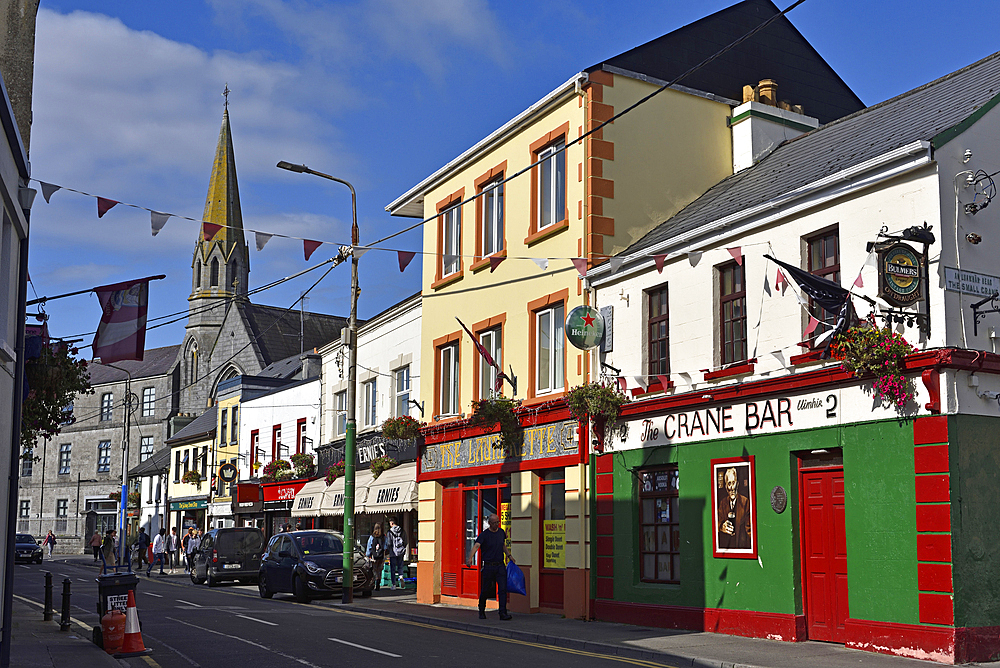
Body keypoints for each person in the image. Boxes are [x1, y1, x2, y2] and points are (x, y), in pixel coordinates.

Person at [466, 513, 513, 621]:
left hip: (500, 565)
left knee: (502, 589)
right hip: (489, 566)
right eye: (494, 523)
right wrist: (470, 558)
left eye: (498, 522)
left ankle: (503, 613)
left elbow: (503, 545)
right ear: (489, 523)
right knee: (486, 590)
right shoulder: (484, 535)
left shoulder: (501, 532)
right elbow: (476, 545)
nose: (496, 524)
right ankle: (481, 609)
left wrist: (509, 556)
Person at [717, 467, 751, 550]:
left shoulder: (745, 502)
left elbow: (750, 530)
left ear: (738, 484)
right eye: (729, 484)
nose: (732, 487)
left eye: (733, 483)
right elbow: (716, 522)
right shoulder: (722, 503)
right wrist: (721, 527)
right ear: (725, 487)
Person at [366, 523, 388, 590]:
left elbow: (369, 546)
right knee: (379, 570)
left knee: (374, 570)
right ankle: (378, 582)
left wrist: (367, 555)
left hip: (374, 557)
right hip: (381, 556)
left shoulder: (372, 537)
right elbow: (385, 546)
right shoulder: (383, 537)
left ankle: (375, 582)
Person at [387, 518, 408, 590]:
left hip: (393, 552)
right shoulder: (402, 531)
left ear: (392, 523)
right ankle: (401, 576)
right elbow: (406, 541)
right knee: (400, 566)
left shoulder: (390, 532)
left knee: (392, 568)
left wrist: (389, 550)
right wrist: (403, 548)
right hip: (401, 551)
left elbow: (389, 543)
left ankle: (394, 585)